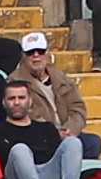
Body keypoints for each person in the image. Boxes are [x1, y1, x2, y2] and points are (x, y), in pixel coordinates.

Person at [0, 79, 75, 179]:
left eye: (21, 98)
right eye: (11, 98)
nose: (17, 102)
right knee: (20, 149)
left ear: (30, 101)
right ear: (4, 102)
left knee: (72, 142)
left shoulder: (47, 128)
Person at [10, 30, 94, 158]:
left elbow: (77, 107)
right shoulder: (15, 81)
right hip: (40, 137)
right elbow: (26, 114)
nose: (36, 56)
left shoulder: (60, 76)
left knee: (93, 142)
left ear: (47, 53)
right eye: (30, 52)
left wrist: (70, 129)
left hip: (68, 132)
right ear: (23, 56)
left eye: (40, 51)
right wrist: (55, 133)